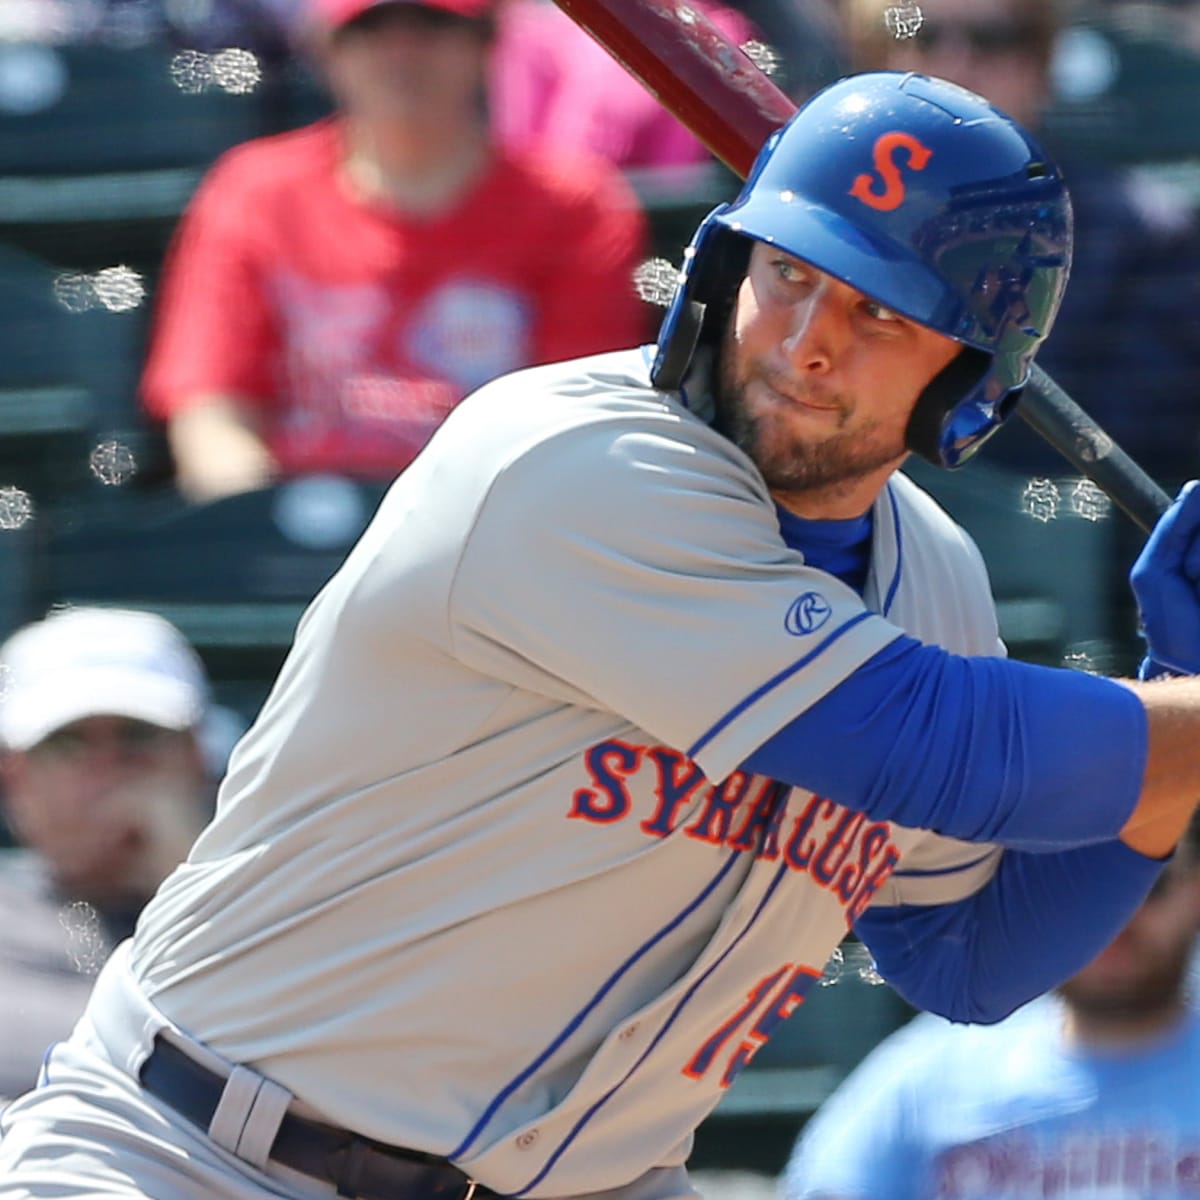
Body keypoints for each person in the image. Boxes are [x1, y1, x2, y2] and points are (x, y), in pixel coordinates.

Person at [8, 69, 1200, 1200]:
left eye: (879, 314)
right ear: (720, 264)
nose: (806, 343)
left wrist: (1178, 704)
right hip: (207, 1156)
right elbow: (935, 744)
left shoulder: (932, 578)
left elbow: (969, 956)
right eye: (788, 275)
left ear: (970, 377)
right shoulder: (575, 459)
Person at [139, 0, 652, 503]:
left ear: (486, 45)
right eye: (372, 30)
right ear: (328, 52)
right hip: (303, 526)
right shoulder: (252, 192)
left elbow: (573, 428)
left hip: (496, 530)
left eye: (431, 25)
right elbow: (212, 414)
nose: (402, 55)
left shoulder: (575, 206)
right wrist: (263, 533)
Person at [840, 0, 1200, 488]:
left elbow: (1125, 463)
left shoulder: (1149, 240)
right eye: (922, 35)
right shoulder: (824, 222)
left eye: (994, 40)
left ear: (1042, 63)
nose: (953, 65)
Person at [780, 811, 1200, 1199]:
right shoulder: (927, 1076)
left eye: (1150, 884)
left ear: (1195, 891)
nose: (1114, 916)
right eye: (1078, 889)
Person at [0, 607, 214, 1109]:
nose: (107, 769)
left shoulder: (286, 913)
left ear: (197, 757)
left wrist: (192, 877)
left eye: (137, 736)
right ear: (15, 776)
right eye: (68, 742)